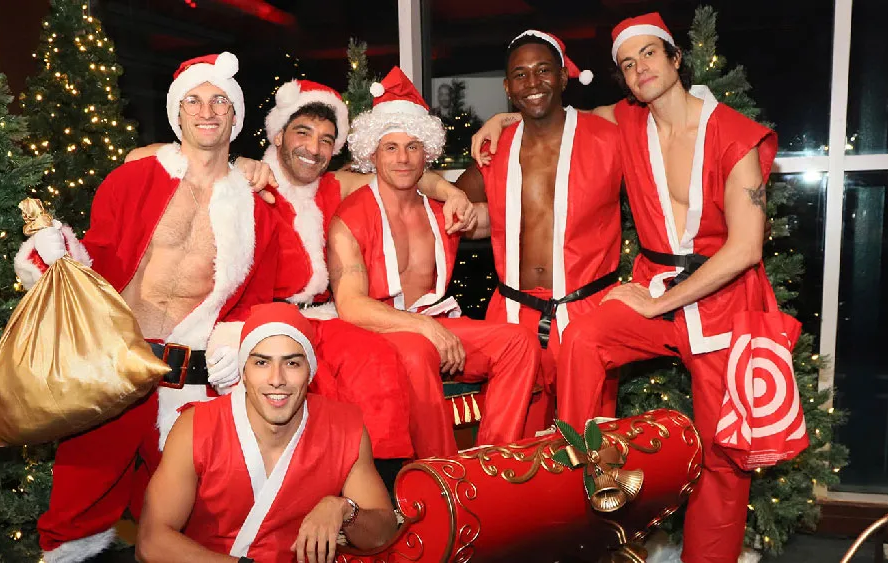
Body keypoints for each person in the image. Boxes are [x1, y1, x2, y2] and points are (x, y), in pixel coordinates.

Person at [473, 13, 779, 562]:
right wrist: (501, 116)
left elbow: (746, 250)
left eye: (650, 55)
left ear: (676, 57)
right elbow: (551, 111)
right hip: (656, 282)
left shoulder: (735, 135)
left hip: (722, 299)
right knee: (585, 339)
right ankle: (586, 471)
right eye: (628, 63)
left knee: (725, 448)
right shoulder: (628, 122)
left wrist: (660, 302)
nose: (641, 69)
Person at [126, 78, 476, 475]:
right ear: (278, 135)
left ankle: (384, 478)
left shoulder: (335, 185)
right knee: (317, 380)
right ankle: (318, 479)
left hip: (326, 316)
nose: (314, 148)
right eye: (303, 133)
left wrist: (451, 192)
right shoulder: (248, 178)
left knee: (376, 358)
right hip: (264, 317)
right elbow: (138, 156)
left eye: (326, 140)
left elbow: (403, 174)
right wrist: (230, 161)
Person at [14, 52, 280, 562]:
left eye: (220, 101)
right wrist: (55, 257)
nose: (207, 111)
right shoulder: (132, 181)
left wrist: (236, 340)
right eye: (194, 100)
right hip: (117, 369)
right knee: (75, 516)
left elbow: (257, 298)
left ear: (235, 115)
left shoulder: (258, 211)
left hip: (191, 382)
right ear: (177, 113)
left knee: (192, 522)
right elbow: (102, 254)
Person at [328, 67, 541, 457]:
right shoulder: (350, 218)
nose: (403, 158)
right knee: (417, 350)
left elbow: (514, 215)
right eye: (391, 148)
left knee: (519, 342)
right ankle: (443, 476)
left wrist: (515, 121)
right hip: (378, 333)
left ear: (426, 153)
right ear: (372, 153)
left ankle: (493, 462)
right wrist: (425, 328)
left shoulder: (444, 212)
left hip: (433, 324)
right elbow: (352, 306)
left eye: (413, 147)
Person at [452, 30, 624, 433]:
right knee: (512, 452)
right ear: (508, 87)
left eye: (543, 70)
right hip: (513, 318)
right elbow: (450, 209)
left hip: (587, 313)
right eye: (521, 74)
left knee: (587, 448)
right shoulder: (494, 149)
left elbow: (658, 207)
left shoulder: (608, 138)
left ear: (563, 77)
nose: (533, 82)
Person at [136, 302, 398, 563]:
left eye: (292, 363)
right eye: (262, 362)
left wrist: (343, 509)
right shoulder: (196, 428)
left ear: (310, 371)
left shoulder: (344, 430)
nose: (276, 379)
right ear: (244, 372)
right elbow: (151, 542)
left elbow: (382, 535)